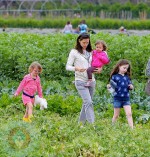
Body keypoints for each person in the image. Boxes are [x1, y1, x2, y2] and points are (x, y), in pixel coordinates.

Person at [66, 33, 102, 127]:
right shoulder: (74, 52)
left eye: (87, 42)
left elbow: (98, 62)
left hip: (91, 80)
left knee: (86, 103)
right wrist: (76, 68)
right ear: (79, 41)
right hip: (80, 80)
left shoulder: (91, 52)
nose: (85, 44)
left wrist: (99, 68)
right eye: (83, 42)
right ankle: (93, 125)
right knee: (89, 102)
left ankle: (80, 124)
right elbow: (68, 66)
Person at [107, 59, 134, 129]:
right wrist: (109, 87)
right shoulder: (114, 77)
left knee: (129, 114)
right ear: (119, 66)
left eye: (127, 68)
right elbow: (111, 89)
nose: (125, 70)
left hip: (126, 98)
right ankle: (112, 127)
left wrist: (131, 87)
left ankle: (132, 129)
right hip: (117, 98)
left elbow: (130, 86)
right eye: (124, 68)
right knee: (116, 115)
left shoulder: (127, 77)